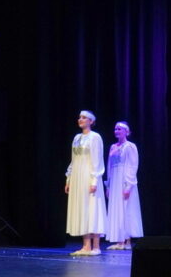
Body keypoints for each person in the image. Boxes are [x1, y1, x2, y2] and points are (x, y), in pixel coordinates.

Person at [65, 110, 108, 256]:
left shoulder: (95, 137)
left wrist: (94, 180)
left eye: (84, 117)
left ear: (91, 121)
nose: (80, 119)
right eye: (79, 117)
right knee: (82, 209)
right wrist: (69, 179)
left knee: (92, 208)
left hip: (89, 176)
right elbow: (73, 160)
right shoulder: (77, 138)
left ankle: (96, 247)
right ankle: (86, 246)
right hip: (78, 177)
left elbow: (97, 160)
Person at [105, 121, 143, 250]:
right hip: (115, 180)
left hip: (124, 180)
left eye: (119, 129)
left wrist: (129, 185)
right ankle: (120, 240)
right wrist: (108, 186)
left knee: (126, 208)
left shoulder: (130, 146)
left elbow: (133, 166)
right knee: (116, 209)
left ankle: (126, 241)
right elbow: (109, 166)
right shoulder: (113, 146)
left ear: (127, 132)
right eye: (115, 129)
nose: (117, 131)